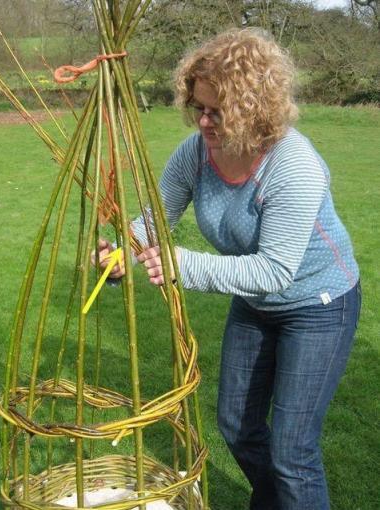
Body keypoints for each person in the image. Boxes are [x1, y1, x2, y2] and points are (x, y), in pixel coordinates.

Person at [95, 28, 361, 510]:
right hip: (257, 305)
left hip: (319, 305)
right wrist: (121, 252)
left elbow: (276, 271)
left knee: (293, 452)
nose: (202, 121)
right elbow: (156, 217)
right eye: (197, 106)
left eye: (217, 111)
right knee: (236, 425)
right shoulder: (196, 153)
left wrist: (180, 265)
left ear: (255, 108)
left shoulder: (292, 164)